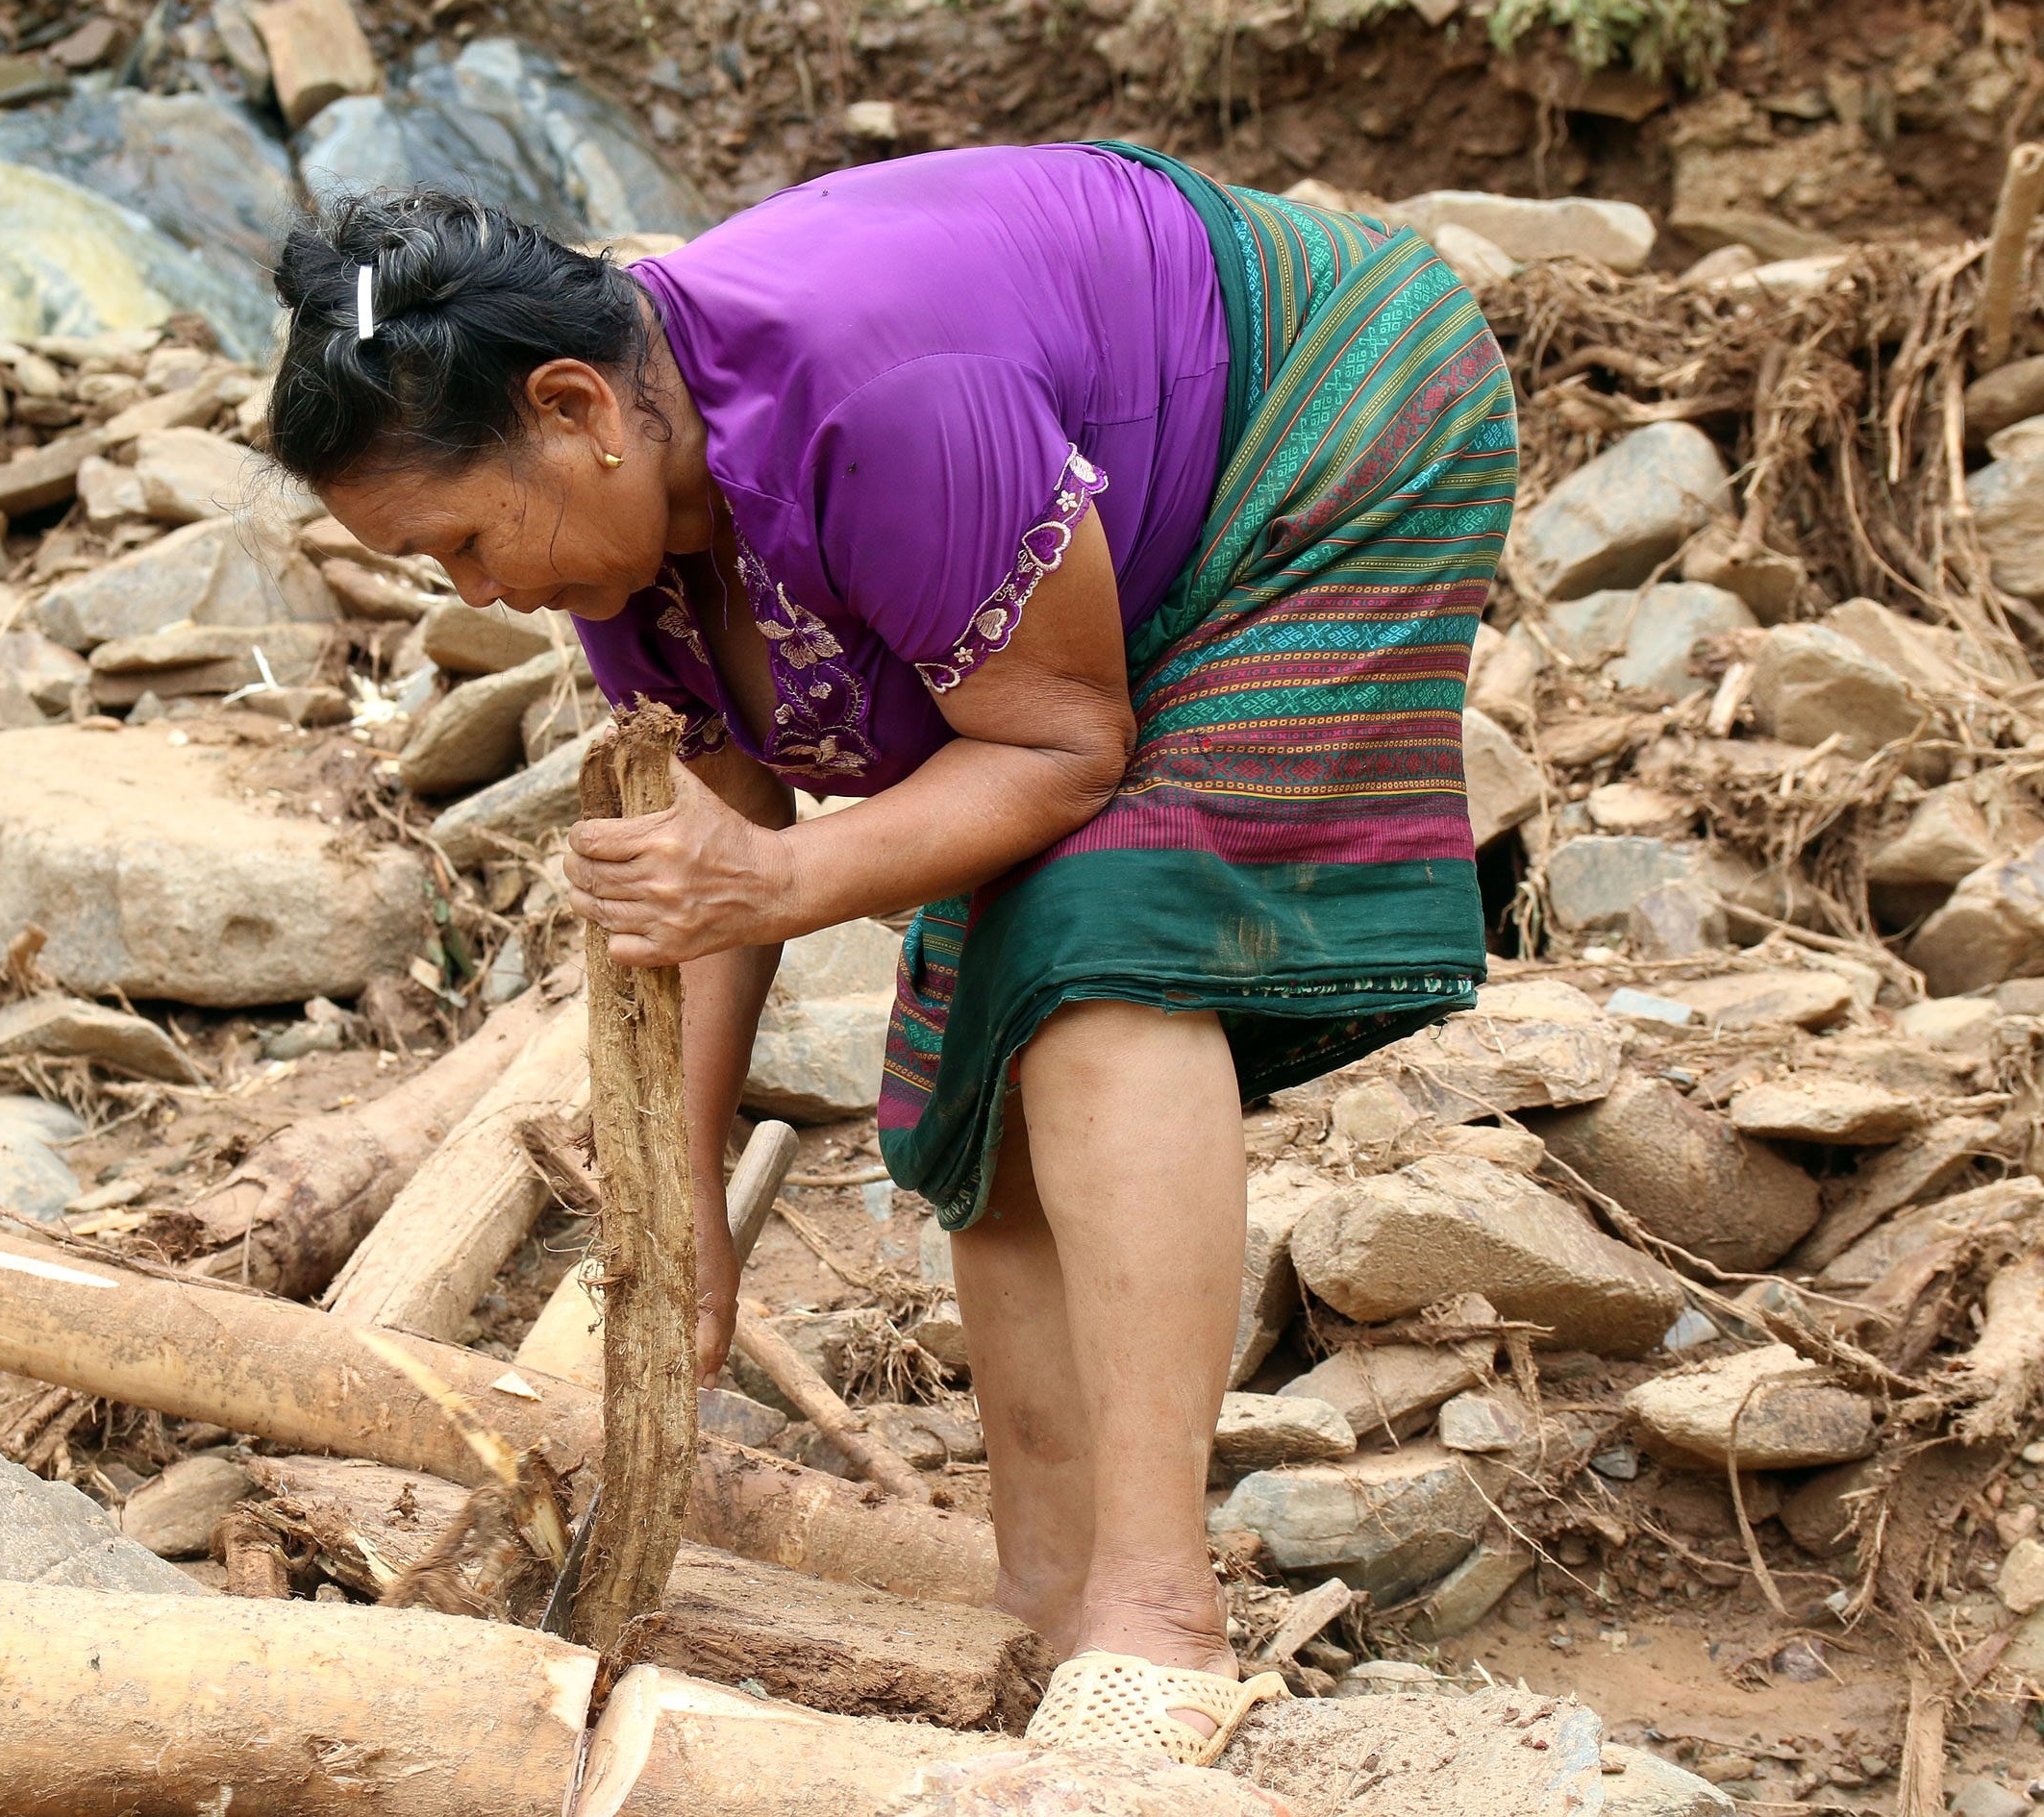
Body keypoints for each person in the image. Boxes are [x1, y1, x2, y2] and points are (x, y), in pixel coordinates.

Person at [260, 146, 1514, 1763]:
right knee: (979, 1044)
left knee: (1092, 953)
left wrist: (787, 878)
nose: (481, 593)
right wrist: (682, 1200)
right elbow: (705, 835)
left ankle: (1159, 1620)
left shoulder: (885, 397)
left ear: (574, 409)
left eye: (466, 543)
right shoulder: (623, 524)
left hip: (1329, 414)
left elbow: (1060, 745)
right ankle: (1047, 1602)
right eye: (437, 572)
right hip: (1099, 508)